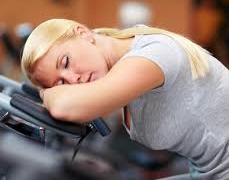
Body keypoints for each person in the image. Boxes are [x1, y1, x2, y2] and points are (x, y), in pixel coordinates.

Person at [21, 19, 229, 179]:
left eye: (65, 62)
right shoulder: (118, 68)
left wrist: (46, 92)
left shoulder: (153, 53)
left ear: (83, 33)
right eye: (61, 83)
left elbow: (64, 106)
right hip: (207, 171)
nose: (72, 79)